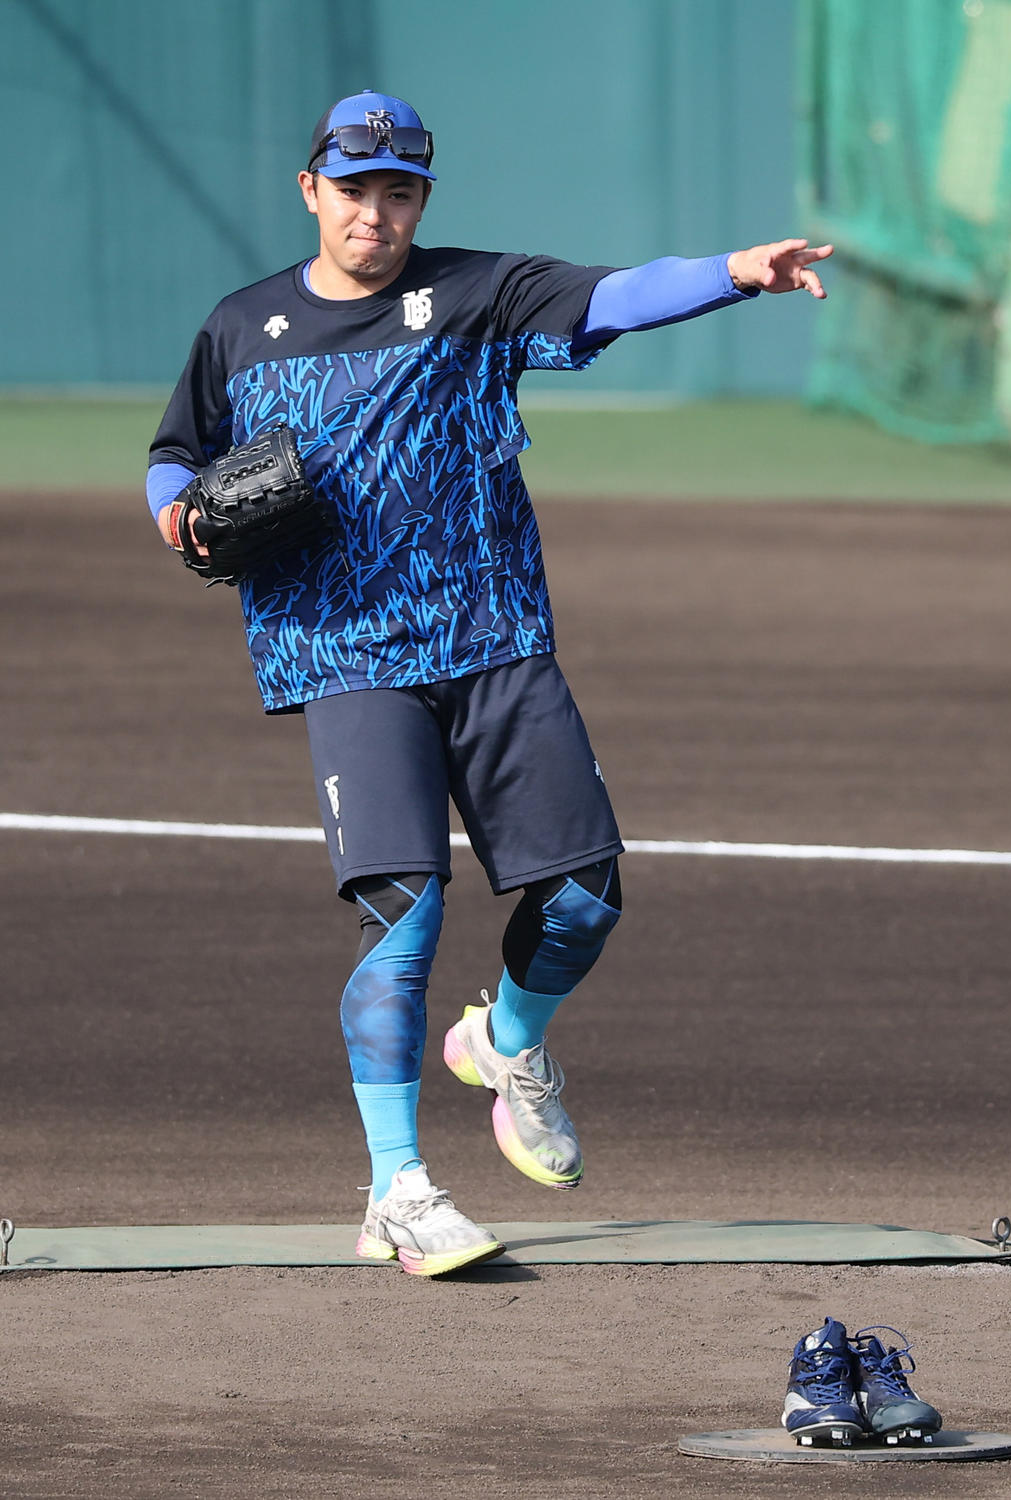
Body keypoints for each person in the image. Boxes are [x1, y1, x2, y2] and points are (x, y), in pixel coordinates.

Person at [147, 90, 832, 1277]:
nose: (374, 211)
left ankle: (507, 1042)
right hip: (346, 655)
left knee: (587, 900)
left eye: (398, 191)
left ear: (422, 199)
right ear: (311, 191)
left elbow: (615, 296)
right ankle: (398, 1190)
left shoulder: (479, 293)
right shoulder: (242, 325)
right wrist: (175, 513)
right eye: (352, 189)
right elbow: (177, 449)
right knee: (403, 909)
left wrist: (735, 273)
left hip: (494, 640)